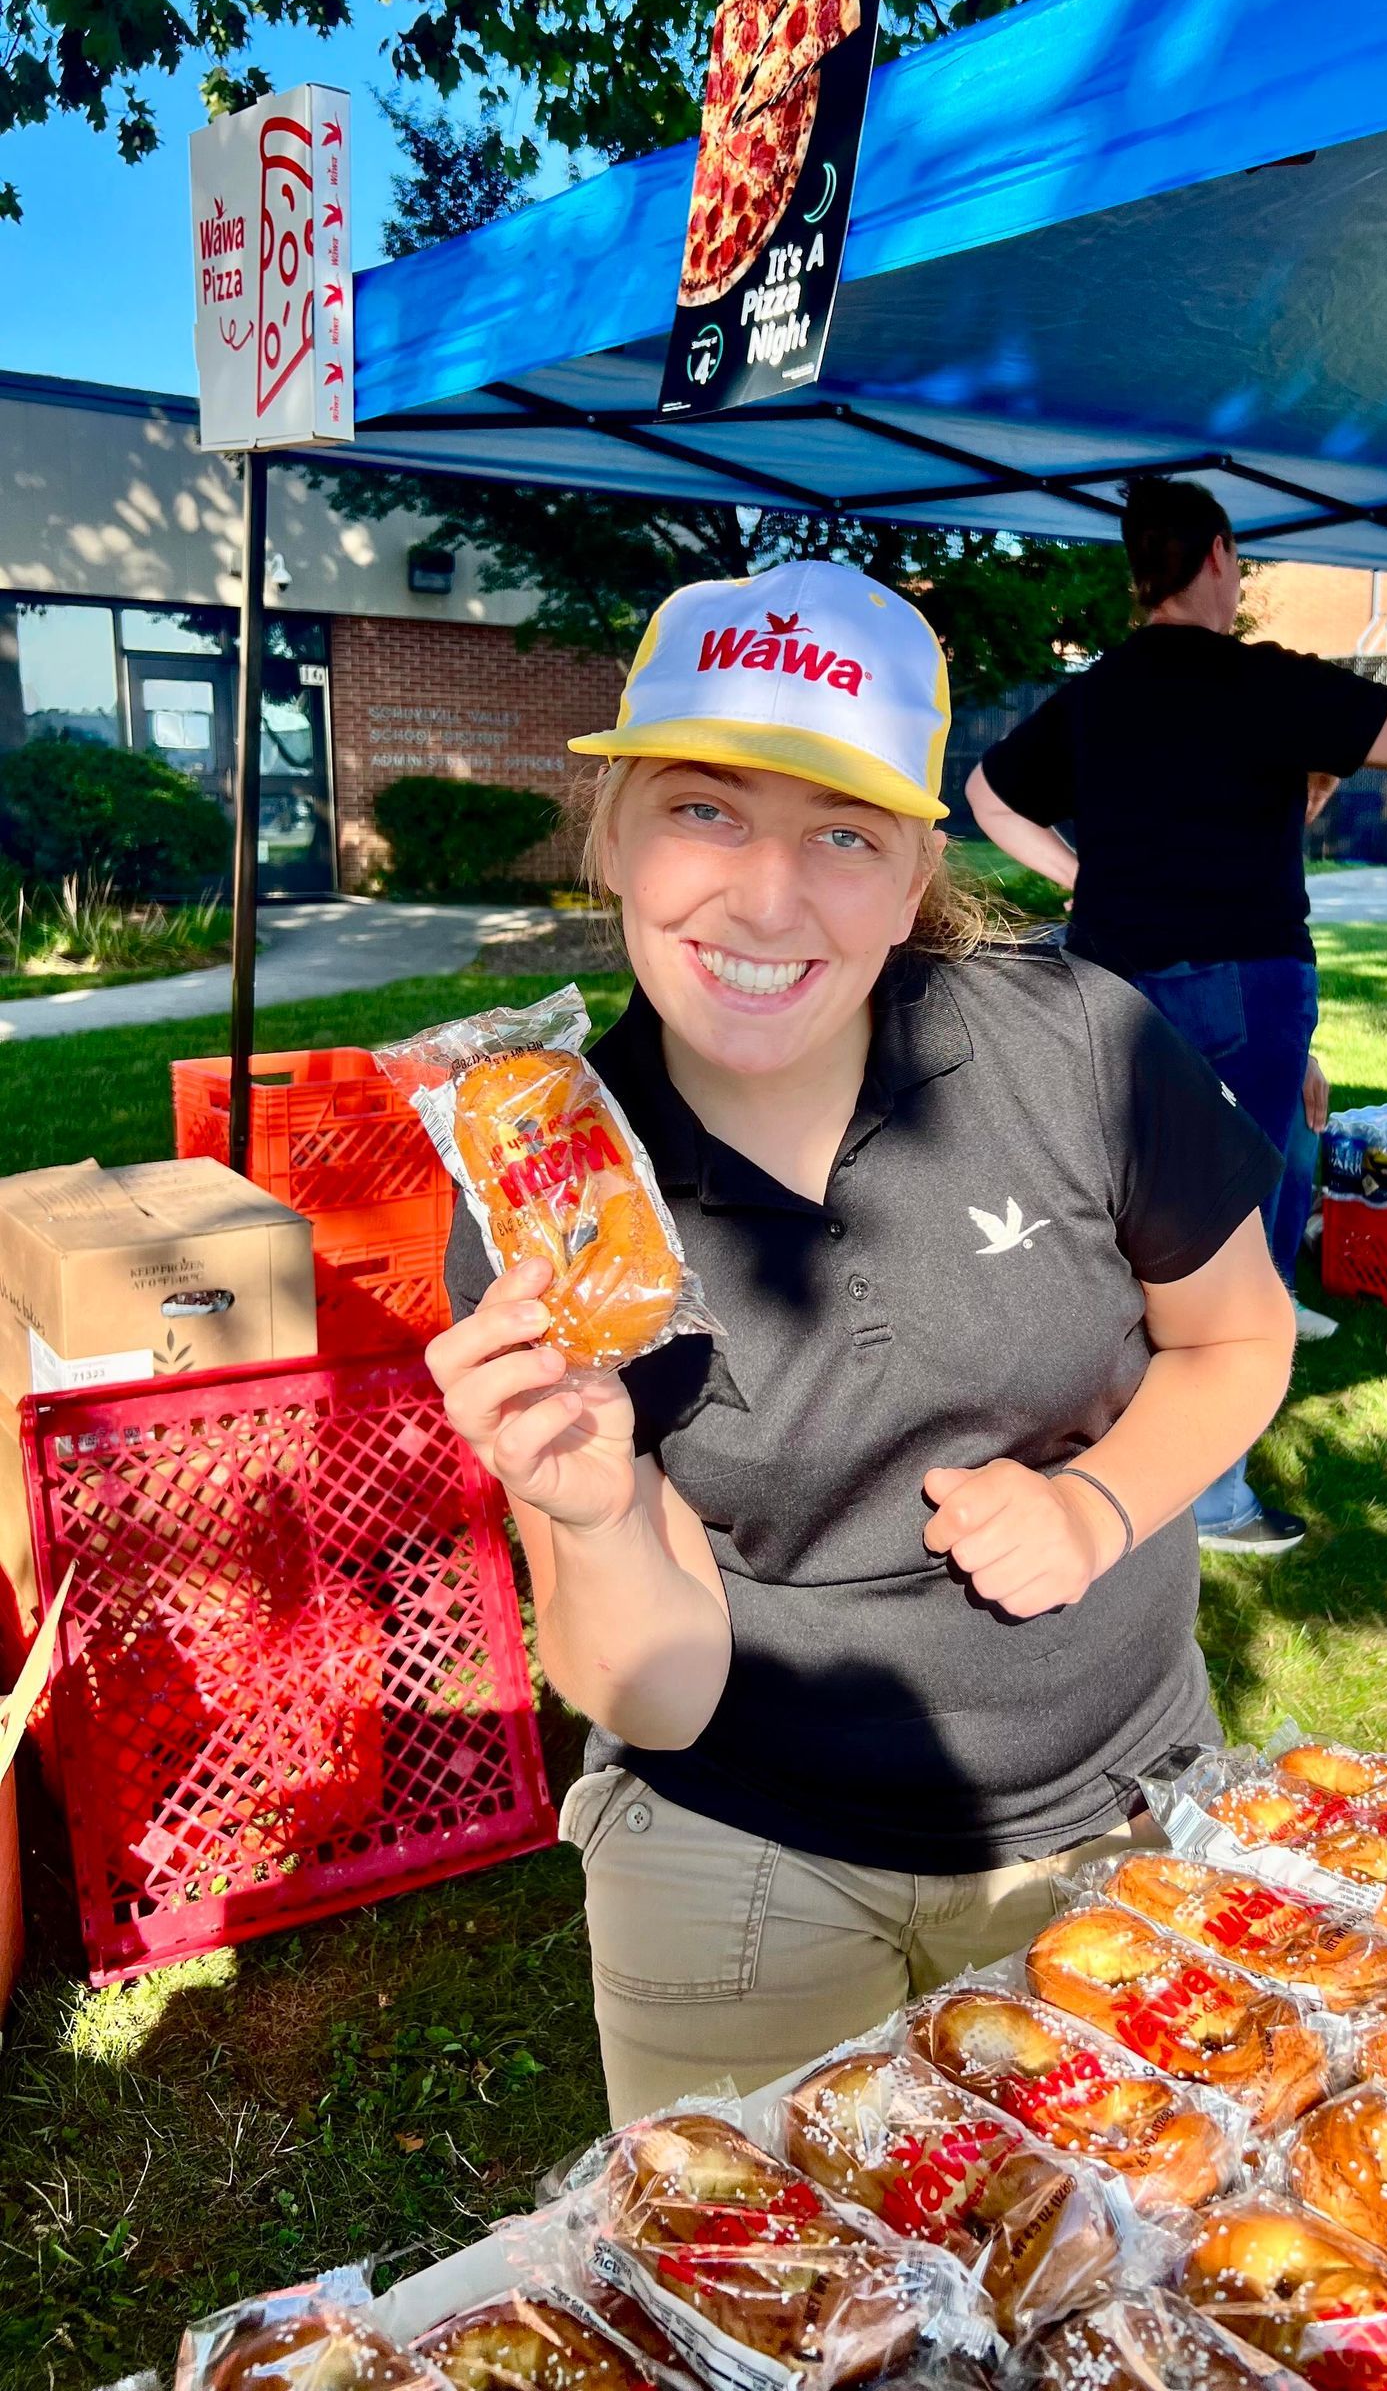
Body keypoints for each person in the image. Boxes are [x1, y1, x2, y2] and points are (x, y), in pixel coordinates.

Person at [429, 560, 1298, 2123]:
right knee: (767, 2325)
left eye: (842, 835)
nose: (769, 901)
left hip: (1115, 1809)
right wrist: (592, 1508)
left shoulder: (1080, 1048)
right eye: (705, 810)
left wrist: (1095, 1506)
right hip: (744, 1838)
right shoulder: (554, 1186)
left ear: (913, 879)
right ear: (611, 837)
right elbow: (655, 1692)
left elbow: (1237, 1342)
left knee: (1122, 2286)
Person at [967, 476, 1387, 1553]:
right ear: (1221, 558)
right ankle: (1212, 1489)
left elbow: (989, 792)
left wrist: (1075, 873)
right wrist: (1316, 743)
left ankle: (1112, 1429)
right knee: (1236, 1228)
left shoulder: (1098, 693)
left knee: (1127, 1213)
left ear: (1140, 570)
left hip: (1110, 986)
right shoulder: (1258, 682)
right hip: (1242, 983)